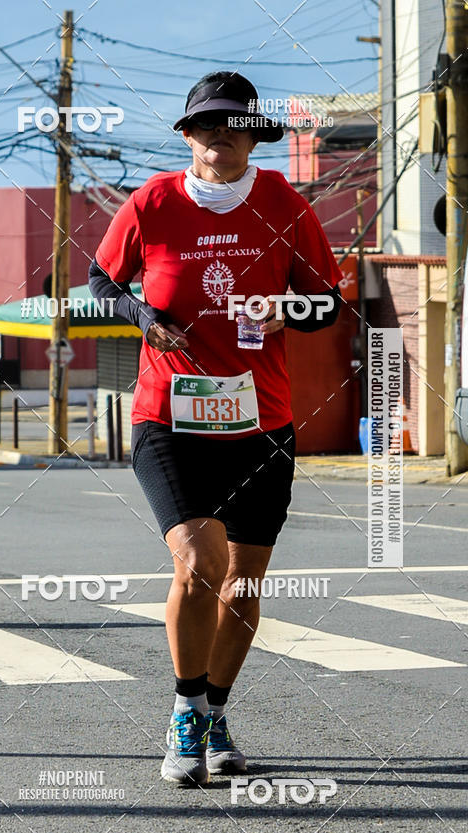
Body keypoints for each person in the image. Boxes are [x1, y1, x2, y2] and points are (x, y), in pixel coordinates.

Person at [89, 71, 343, 786]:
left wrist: (282, 311)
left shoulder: (285, 205)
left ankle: (217, 709)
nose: (220, 138)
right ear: (188, 135)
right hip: (168, 414)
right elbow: (100, 281)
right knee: (199, 562)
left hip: (260, 421)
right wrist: (146, 318)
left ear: (252, 137)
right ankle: (184, 709)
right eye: (207, 127)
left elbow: (323, 304)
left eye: (235, 127)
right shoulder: (152, 202)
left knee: (242, 585)